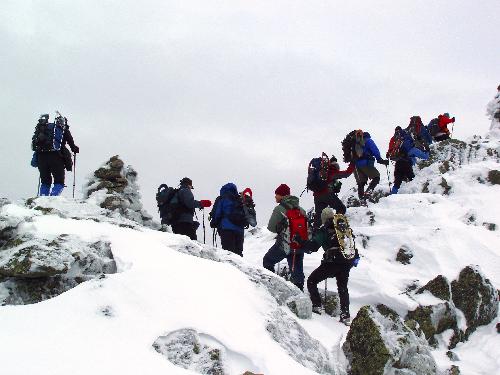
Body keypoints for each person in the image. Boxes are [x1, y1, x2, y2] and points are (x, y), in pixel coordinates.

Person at [298, 207, 359, 325]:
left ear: (323, 218)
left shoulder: (325, 230)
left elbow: (313, 247)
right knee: (343, 287)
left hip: (333, 263)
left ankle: (317, 305)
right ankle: (345, 315)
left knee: (311, 281)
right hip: (346, 262)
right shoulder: (343, 227)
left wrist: (301, 241)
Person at [263, 184, 306, 291]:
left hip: (285, 244)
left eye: (276, 194)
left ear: (282, 195)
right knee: (297, 272)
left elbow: (271, 228)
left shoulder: (279, 209)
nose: (275, 197)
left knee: (268, 261)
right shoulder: (301, 210)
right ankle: (299, 294)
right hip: (299, 246)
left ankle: (272, 288)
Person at [32, 114, 79, 196]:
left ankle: (43, 198)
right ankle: (53, 198)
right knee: (59, 180)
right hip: (56, 157)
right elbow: (72, 146)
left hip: (41, 156)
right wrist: (75, 149)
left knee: (45, 181)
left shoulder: (43, 129)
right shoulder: (63, 129)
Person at [312, 155, 353, 230]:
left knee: (319, 216)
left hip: (317, 196)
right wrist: (353, 163)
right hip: (327, 194)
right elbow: (347, 173)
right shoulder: (332, 171)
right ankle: (335, 225)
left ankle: (316, 232)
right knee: (341, 208)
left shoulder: (320, 172)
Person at [352, 131, 389, 200]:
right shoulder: (368, 140)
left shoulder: (355, 143)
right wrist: (379, 159)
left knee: (361, 183)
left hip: (356, 166)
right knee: (376, 177)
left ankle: (362, 200)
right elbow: (374, 150)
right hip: (365, 163)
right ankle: (368, 192)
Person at [211, 183, 246, 256]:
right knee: (238, 254)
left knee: (228, 253)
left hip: (227, 229)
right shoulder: (240, 199)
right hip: (240, 230)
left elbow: (217, 213)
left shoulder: (222, 199)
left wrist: (213, 222)